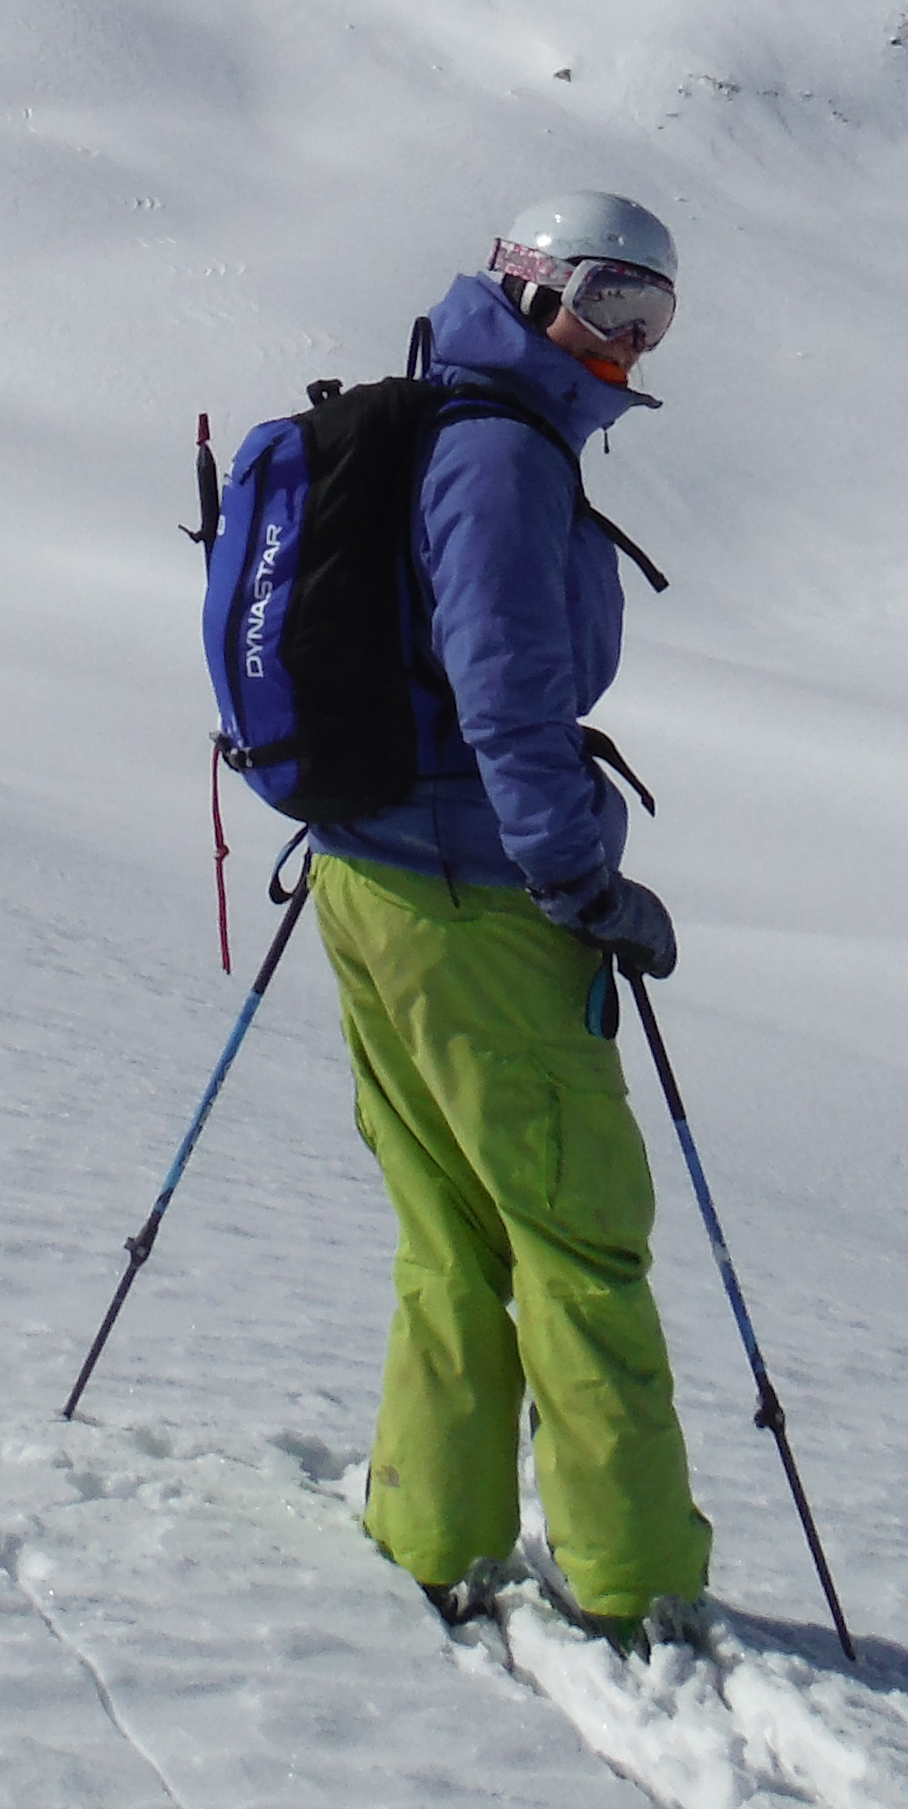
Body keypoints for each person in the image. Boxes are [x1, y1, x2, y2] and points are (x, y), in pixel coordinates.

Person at [308, 189, 709, 1645]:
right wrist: (580, 883)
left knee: (454, 1230)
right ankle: (633, 1580)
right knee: (579, 1244)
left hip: (370, 882)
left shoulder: (447, 418)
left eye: (652, 319)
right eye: (608, 303)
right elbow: (507, 698)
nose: (627, 342)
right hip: (472, 904)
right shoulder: (499, 457)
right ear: (530, 286)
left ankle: (432, 1518)